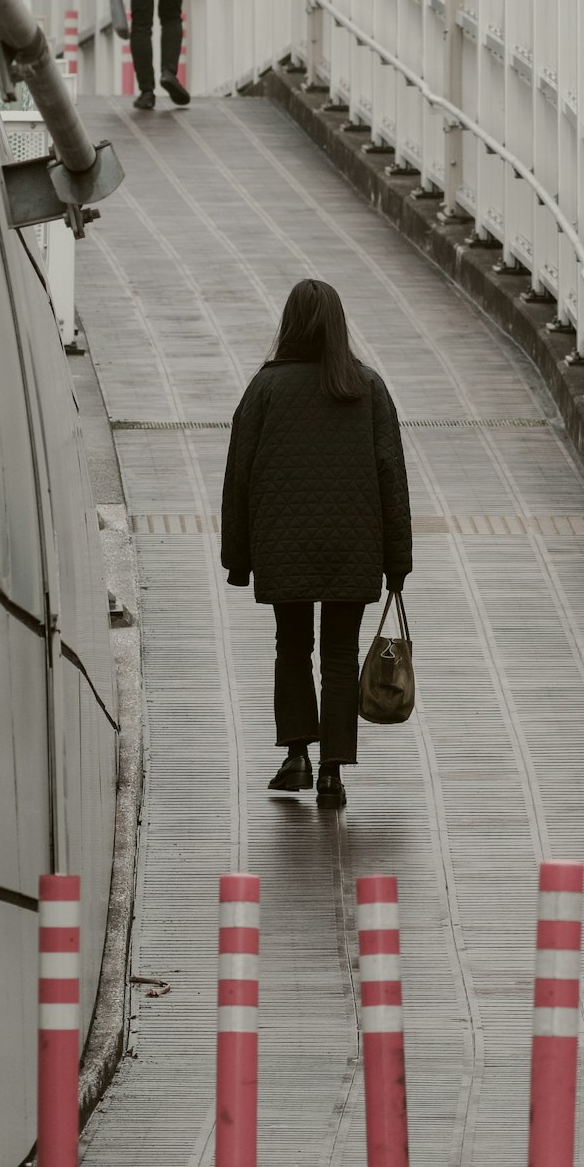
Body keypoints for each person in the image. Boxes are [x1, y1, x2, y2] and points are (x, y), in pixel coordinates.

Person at [221, 279, 412, 810]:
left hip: (284, 547)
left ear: (289, 324)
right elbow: (391, 476)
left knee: (292, 646)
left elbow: (239, 476)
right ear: (338, 326)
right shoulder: (367, 388)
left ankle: (297, 755)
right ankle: (333, 771)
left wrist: (238, 558)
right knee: (340, 655)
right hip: (353, 549)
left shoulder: (265, 389)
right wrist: (397, 561)